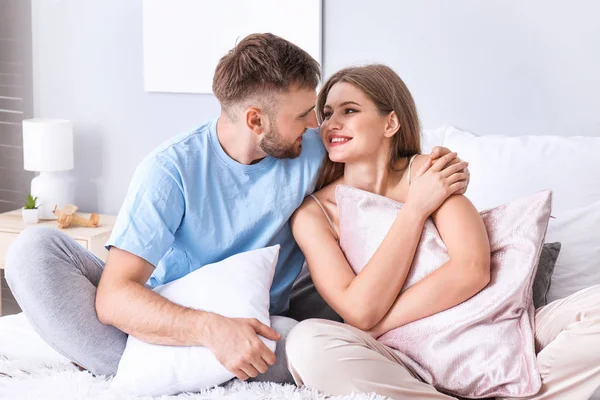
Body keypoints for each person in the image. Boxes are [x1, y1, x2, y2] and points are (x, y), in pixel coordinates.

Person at [4, 34, 467, 384]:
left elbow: (381, 163)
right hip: (176, 308)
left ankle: (145, 369)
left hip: (262, 319)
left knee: (307, 343)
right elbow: (114, 296)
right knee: (34, 250)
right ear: (255, 120)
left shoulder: (312, 147)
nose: (319, 125)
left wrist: (433, 172)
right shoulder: (171, 171)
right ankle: (160, 363)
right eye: (306, 113)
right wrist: (210, 330)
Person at [285, 64, 600, 400]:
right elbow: (358, 310)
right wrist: (415, 209)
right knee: (307, 343)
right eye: (328, 113)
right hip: (401, 359)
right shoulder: (313, 214)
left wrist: (376, 324)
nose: (332, 124)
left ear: (390, 123)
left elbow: (473, 269)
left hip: (492, 325)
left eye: (349, 111)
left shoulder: (432, 172)